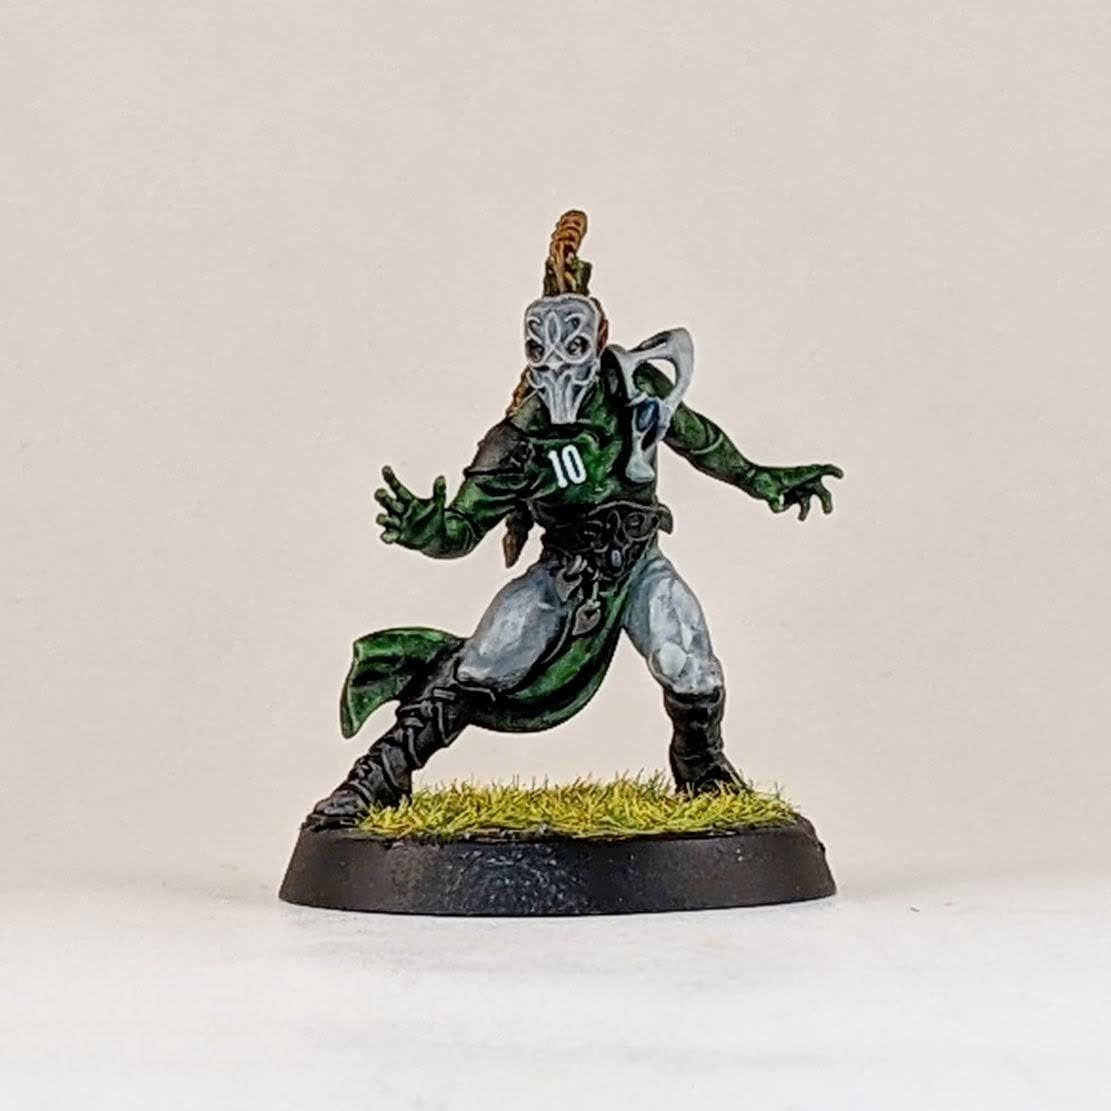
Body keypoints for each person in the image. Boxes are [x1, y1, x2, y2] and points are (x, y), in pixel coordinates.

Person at [306, 210, 842, 830]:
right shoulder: (516, 441)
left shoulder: (634, 390)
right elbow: (461, 529)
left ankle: (701, 769)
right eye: (542, 350)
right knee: (487, 661)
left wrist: (761, 477)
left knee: (688, 658)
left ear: (599, 338)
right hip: (563, 573)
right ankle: (377, 777)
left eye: (574, 344)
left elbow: (701, 440)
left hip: (638, 564)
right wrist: (426, 530)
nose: (559, 364)